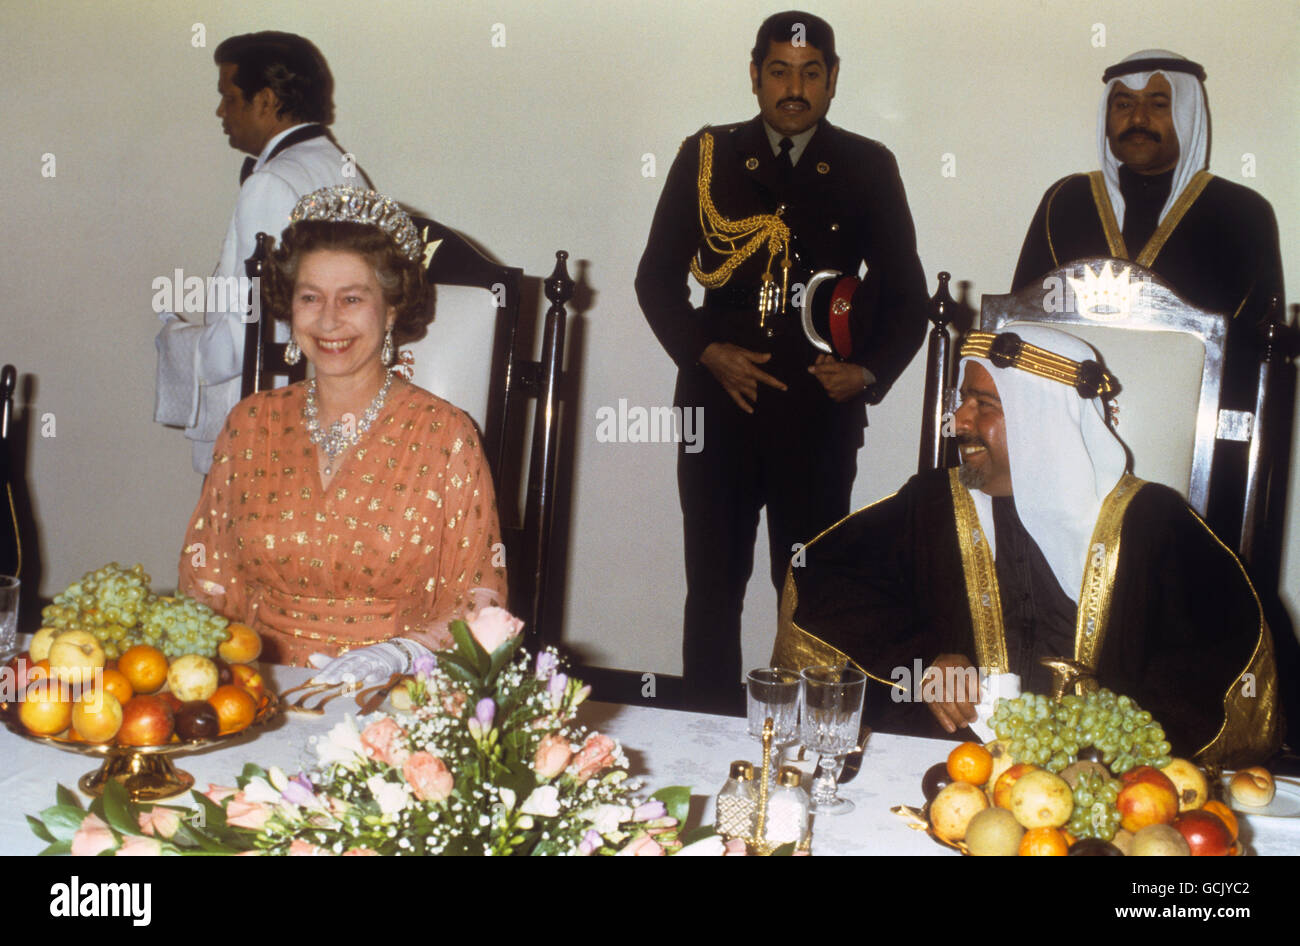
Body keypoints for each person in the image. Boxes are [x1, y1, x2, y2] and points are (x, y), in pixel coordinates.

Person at [772, 325, 1281, 766]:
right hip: (954, 762)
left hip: (1104, 786)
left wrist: (1121, 745)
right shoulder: (931, 503)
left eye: (984, 406)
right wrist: (921, 659)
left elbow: (1224, 650)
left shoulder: (1153, 524)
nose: (959, 422)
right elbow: (821, 575)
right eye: (962, 401)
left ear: (1043, 421)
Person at [636, 11, 929, 713]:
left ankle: (803, 738)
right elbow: (654, 279)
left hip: (816, 414)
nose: (793, 88)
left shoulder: (867, 164)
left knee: (808, 585)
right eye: (779, 71)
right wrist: (707, 350)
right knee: (712, 581)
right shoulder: (707, 153)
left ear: (831, 81)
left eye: (810, 73)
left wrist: (867, 373)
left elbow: (910, 297)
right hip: (717, 406)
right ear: (755, 74)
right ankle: (704, 724)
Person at [179, 186, 507, 676]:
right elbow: (207, 583)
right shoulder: (249, 425)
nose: (329, 320)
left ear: (391, 309)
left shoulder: (447, 437)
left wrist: (399, 656)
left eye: (352, 298)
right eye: (310, 297)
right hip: (256, 686)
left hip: (395, 696)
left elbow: (481, 605)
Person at [156, 31, 371, 474]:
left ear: (267, 100)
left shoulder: (271, 182)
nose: (221, 111)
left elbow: (247, 330)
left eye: (229, 96)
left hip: (267, 425)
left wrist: (180, 347)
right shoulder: (344, 171)